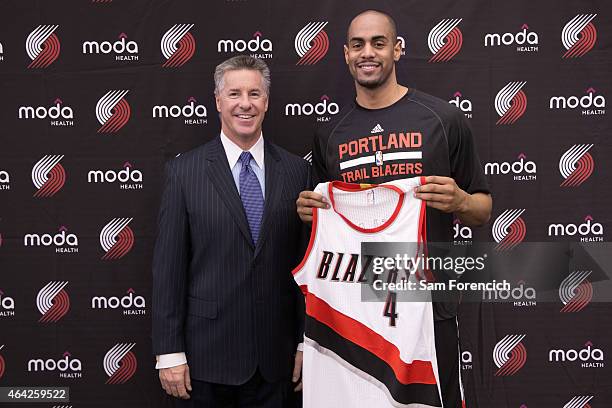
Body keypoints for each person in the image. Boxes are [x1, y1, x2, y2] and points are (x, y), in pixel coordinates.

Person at [296, 10, 492, 408]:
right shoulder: (330, 133)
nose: (368, 53)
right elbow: (319, 217)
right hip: (356, 305)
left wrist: (461, 202)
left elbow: (483, 208)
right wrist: (310, 210)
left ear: (398, 50)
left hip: (426, 302)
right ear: (346, 55)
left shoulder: (444, 119)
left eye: (378, 43)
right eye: (358, 45)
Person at [152, 55, 308, 407]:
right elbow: (168, 270)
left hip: (276, 363)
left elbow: (306, 266)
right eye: (234, 93)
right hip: (205, 363)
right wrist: (169, 352)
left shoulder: (298, 172)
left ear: (266, 102)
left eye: (255, 93)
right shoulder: (184, 172)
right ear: (218, 100)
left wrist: (304, 343)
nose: (245, 104)